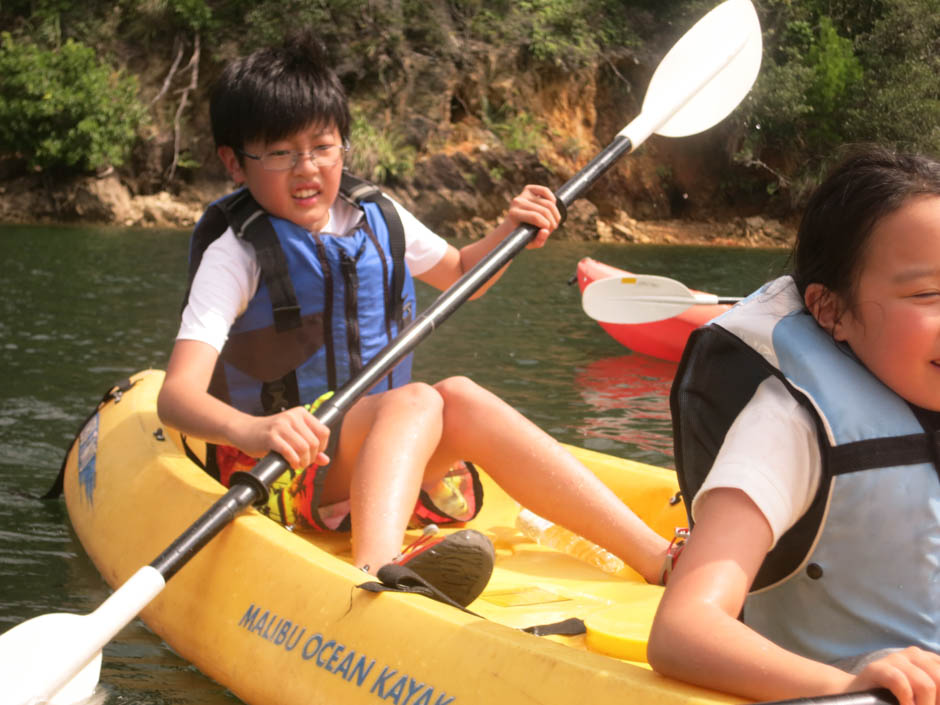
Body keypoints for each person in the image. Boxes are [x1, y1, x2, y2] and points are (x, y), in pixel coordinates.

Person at [156, 33, 671, 608]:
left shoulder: (375, 214)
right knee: (419, 399)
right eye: (279, 153)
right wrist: (253, 430)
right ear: (234, 163)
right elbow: (176, 397)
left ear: (343, 146)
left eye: (322, 146)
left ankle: (657, 558)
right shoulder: (237, 253)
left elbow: (459, 273)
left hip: (373, 450)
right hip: (285, 466)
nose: (307, 169)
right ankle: (376, 573)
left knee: (462, 396)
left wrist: (512, 230)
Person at [649, 145, 940, 705]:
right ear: (830, 310)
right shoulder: (788, 428)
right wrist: (848, 686)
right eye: (927, 294)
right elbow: (682, 630)